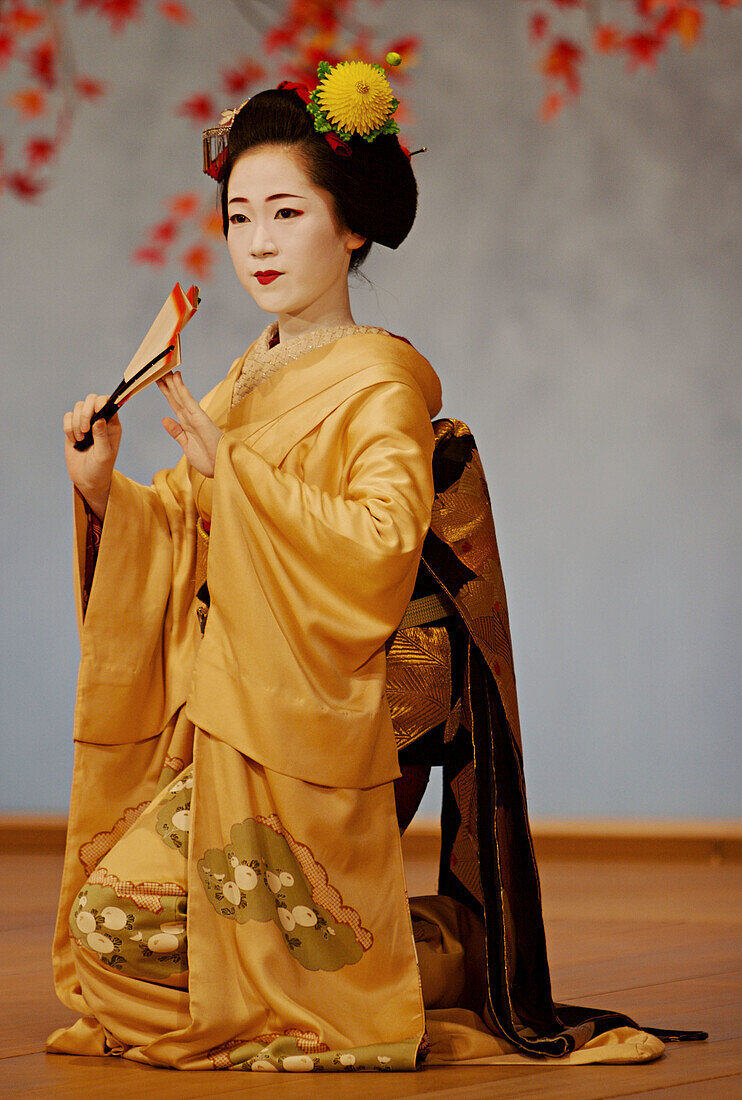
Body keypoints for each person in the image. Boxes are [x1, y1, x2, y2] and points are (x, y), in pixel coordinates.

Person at [48, 60, 703, 1073]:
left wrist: (245, 485)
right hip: (235, 702)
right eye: (238, 216)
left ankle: (433, 954)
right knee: (107, 944)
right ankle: (389, 946)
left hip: (335, 706)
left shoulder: (381, 381)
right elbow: (179, 524)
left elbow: (379, 543)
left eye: (285, 211)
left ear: (349, 224)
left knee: (121, 935)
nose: (256, 241)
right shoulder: (243, 376)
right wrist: (103, 491)